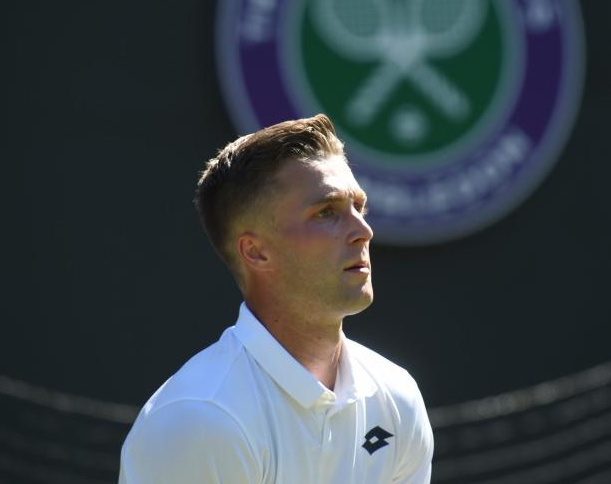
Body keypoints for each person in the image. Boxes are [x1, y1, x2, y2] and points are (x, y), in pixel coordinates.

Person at [119, 114, 433, 483]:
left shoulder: (396, 397)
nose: (363, 231)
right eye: (326, 212)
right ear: (256, 252)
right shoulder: (201, 418)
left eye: (359, 208)